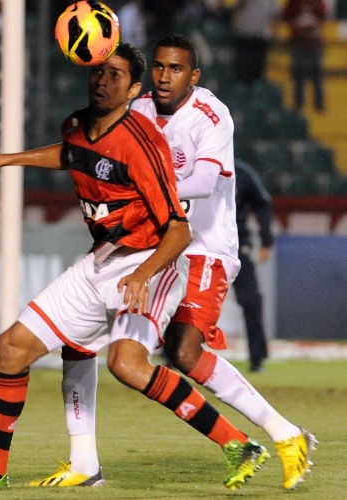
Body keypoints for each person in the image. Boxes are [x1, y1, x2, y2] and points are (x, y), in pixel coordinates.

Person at [0, 42, 268, 491]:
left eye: (116, 75)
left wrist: (143, 273)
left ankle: (238, 443)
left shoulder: (143, 144)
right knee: (11, 349)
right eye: (99, 71)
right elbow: (70, 152)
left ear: (134, 90)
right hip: (105, 260)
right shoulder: (76, 125)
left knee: (127, 365)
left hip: (153, 264)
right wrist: (5, 160)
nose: (102, 80)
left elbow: (180, 231)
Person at [31, 35, 315, 492]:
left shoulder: (211, 114)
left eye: (176, 69)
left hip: (203, 248)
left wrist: (142, 179)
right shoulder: (138, 110)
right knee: (86, 343)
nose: (165, 77)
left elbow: (203, 180)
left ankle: (283, 434)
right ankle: (83, 459)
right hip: (147, 247)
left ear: (193, 76)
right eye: (159, 67)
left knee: (182, 351)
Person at [233, 158, 274, 372]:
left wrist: (266, 240)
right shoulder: (194, 167)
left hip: (237, 245)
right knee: (182, 298)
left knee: (251, 300)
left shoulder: (241, 172)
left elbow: (262, 203)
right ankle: (171, 353)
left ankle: (257, 357)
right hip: (200, 245)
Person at [282, 0, 328, 112]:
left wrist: (311, 24)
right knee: (299, 73)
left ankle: (319, 105)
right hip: (299, 42)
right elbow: (286, 16)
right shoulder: (294, 3)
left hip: (314, 42)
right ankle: (298, 105)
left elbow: (323, 17)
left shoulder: (317, 2)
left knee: (317, 73)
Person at [230, 0, 281, 83]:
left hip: (260, 38)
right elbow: (235, 10)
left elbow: (277, 16)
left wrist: (275, 35)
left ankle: (255, 92)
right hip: (244, 36)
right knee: (241, 70)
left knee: (257, 71)